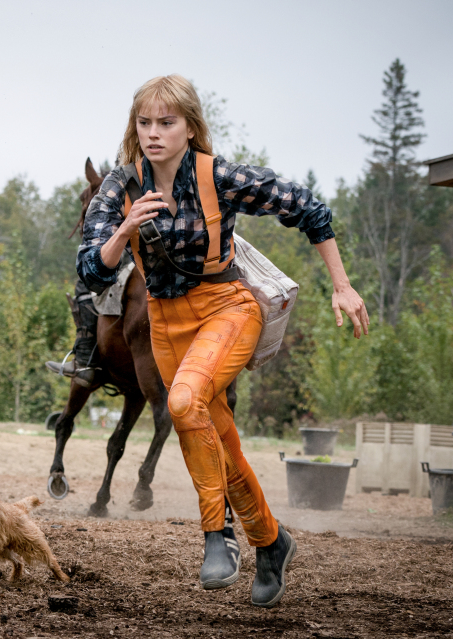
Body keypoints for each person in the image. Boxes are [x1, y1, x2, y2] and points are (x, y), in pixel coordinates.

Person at [77, 75, 369, 608]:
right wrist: (124, 231)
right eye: (144, 123)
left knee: (184, 401)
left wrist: (342, 285)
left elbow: (308, 208)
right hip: (165, 322)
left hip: (226, 307)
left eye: (166, 123)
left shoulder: (221, 175)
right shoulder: (120, 186)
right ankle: (272, 541)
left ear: (190, 126)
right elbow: (91, 271)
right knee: (219, 438)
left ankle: (217, 536)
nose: (154, 133)